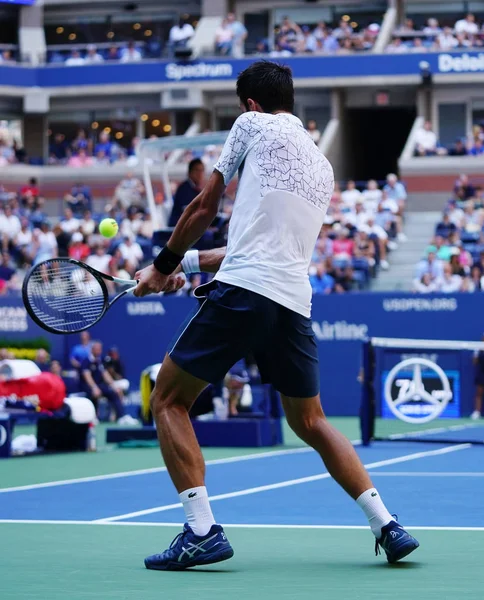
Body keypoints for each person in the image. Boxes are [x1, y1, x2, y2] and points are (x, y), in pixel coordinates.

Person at [133, 61, 419, 570]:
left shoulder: (250, 127)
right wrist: (188, 266)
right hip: (292, 301)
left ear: (250, 104)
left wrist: (161, 265)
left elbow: (203, 207)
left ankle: (200, 530)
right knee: (311, 420)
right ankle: (388, 525)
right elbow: (261, 242)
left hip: (247, 289)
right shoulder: (321, 163)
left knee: (169, 399)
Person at [80, 341, 136, 424]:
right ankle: (93, 417)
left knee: (114, 393)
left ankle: (121, 416)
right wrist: (94, 387)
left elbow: (105, 374)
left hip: (100, 386)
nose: (99, 351)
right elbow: (87, 377)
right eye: (97, 349)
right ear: (92, 349)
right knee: (94, 393)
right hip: (88, 386)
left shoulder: (100, 361)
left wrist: (113, 385)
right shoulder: (86, 361)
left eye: (100, 349)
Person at [168, 158, 205, 226]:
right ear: (189, 172)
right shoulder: (184, 189)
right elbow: (189, 212)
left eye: (202, 170)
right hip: (177, 228)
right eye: (197, 170)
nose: (200, 174)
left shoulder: (196, 189)